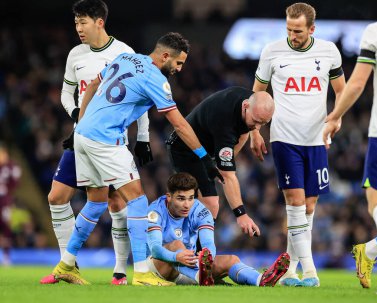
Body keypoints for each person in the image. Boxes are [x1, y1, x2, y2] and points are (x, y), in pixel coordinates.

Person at [50, 31, 223, 286]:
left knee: (97, 203)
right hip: (106, 140)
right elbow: (180, 125)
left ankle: (66, 264)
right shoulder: (155, 78)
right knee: (138, 201)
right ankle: (142, 272)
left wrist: (81, 123)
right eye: (178, 62)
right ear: (165, 55)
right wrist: (204, 157)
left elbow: (93, 86)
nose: (179, 68)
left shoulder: (125, 58)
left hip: (84, 136)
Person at [40, 0, 152, 285]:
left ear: (100, 22)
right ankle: (69, 264)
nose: (78, 28)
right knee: (57, 197)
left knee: (115, 202)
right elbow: (66, 93)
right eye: (76, 22)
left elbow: (141, 96)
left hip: (111, 138)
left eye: (83, 22)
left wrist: (142, 137)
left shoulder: (123, 53)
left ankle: (120, 271)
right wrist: (76, 113)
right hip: (81, 137)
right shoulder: (76, 54)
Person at [252, 2, 346, 287]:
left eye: (299, 31)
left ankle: (290, 271)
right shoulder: (272, 51)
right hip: (284, 137)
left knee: (309, 205)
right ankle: (310, 272)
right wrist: (256, 130)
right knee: (294, 202)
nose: (293, 35)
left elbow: (341, 91)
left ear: (312, 29)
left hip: (316, 139)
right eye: (289, 30)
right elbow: (257, 93)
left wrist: (335, 120)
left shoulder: (329, 51)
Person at [146, 172, 290, 286]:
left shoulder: (200, 211)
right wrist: (176, 256)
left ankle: (261, 280)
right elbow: (155, 249)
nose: (187, 204)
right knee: (176, 244)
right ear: (169, 197)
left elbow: (209, 244)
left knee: (231, 259)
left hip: (188, 267)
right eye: (181, 198)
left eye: (190, 198)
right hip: (158, 268)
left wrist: (205, 259)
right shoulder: (156, 210)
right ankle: (200, 276)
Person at [166, 87, 274, 238]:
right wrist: (241, 214)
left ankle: (197, 252)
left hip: (205, 151)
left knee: (210, 205)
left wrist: (254, 134)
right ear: (245, 106)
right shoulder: (225, 123)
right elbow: (228, 176)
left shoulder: (251, 103)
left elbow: (245, 130)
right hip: (184, 149)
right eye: (255, 122)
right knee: (210, 203)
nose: (257, 127)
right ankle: (186, 250)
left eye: (262, 123)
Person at [323, 21, 377, 289]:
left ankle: (369, 252)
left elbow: (357, 84)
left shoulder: (375, 32)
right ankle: (369, 251)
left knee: (375, 204)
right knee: (374, 204)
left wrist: (334, 116)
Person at [0, 143, 21, 265]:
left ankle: (6, 256)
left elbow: (16, 182)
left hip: (4, 201)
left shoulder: (11, 166)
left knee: (6, 226)